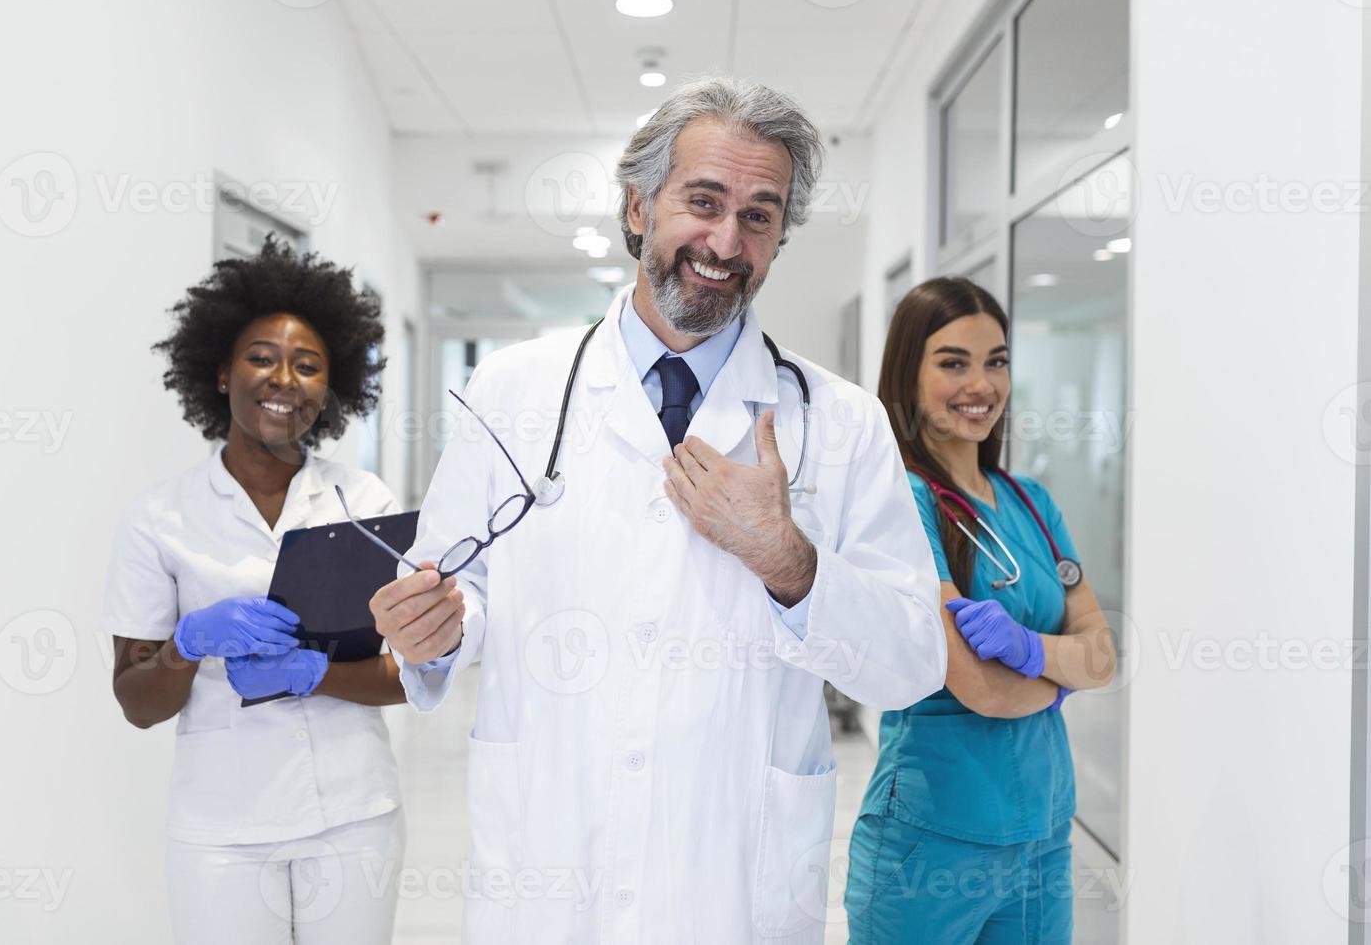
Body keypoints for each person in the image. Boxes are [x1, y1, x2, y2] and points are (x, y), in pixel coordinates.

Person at [365, 75, 947, 943]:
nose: (726, 239)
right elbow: (457, 590)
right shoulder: (513, 390)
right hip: (551, 872)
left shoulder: (840, 421)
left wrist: (789, 562)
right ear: (637, 208)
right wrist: (432, 628)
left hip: (733, 884)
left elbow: (911, 664)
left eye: (760, 214)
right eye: (702, 201)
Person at [103, 237, 409, 944]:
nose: (285, 379)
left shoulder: (364, 500)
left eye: (308, 366)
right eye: (262, 357)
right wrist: (188, 642)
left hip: (354, 813)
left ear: (329, 391)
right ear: (219, 373)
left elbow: (411, 674)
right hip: (222, 829)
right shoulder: (159, 518)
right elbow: (134, 701)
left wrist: (317, 674)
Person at [844, 277, 1119, 944]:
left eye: (995, 361)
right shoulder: (902, 504)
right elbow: (980, 688)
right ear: (908, 374)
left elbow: (1104, 654)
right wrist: (1063, 678)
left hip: (1045, 836)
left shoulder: (1031, 503)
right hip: (934, 841)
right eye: (953, 362)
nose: (981, 384)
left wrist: (1032, 653)